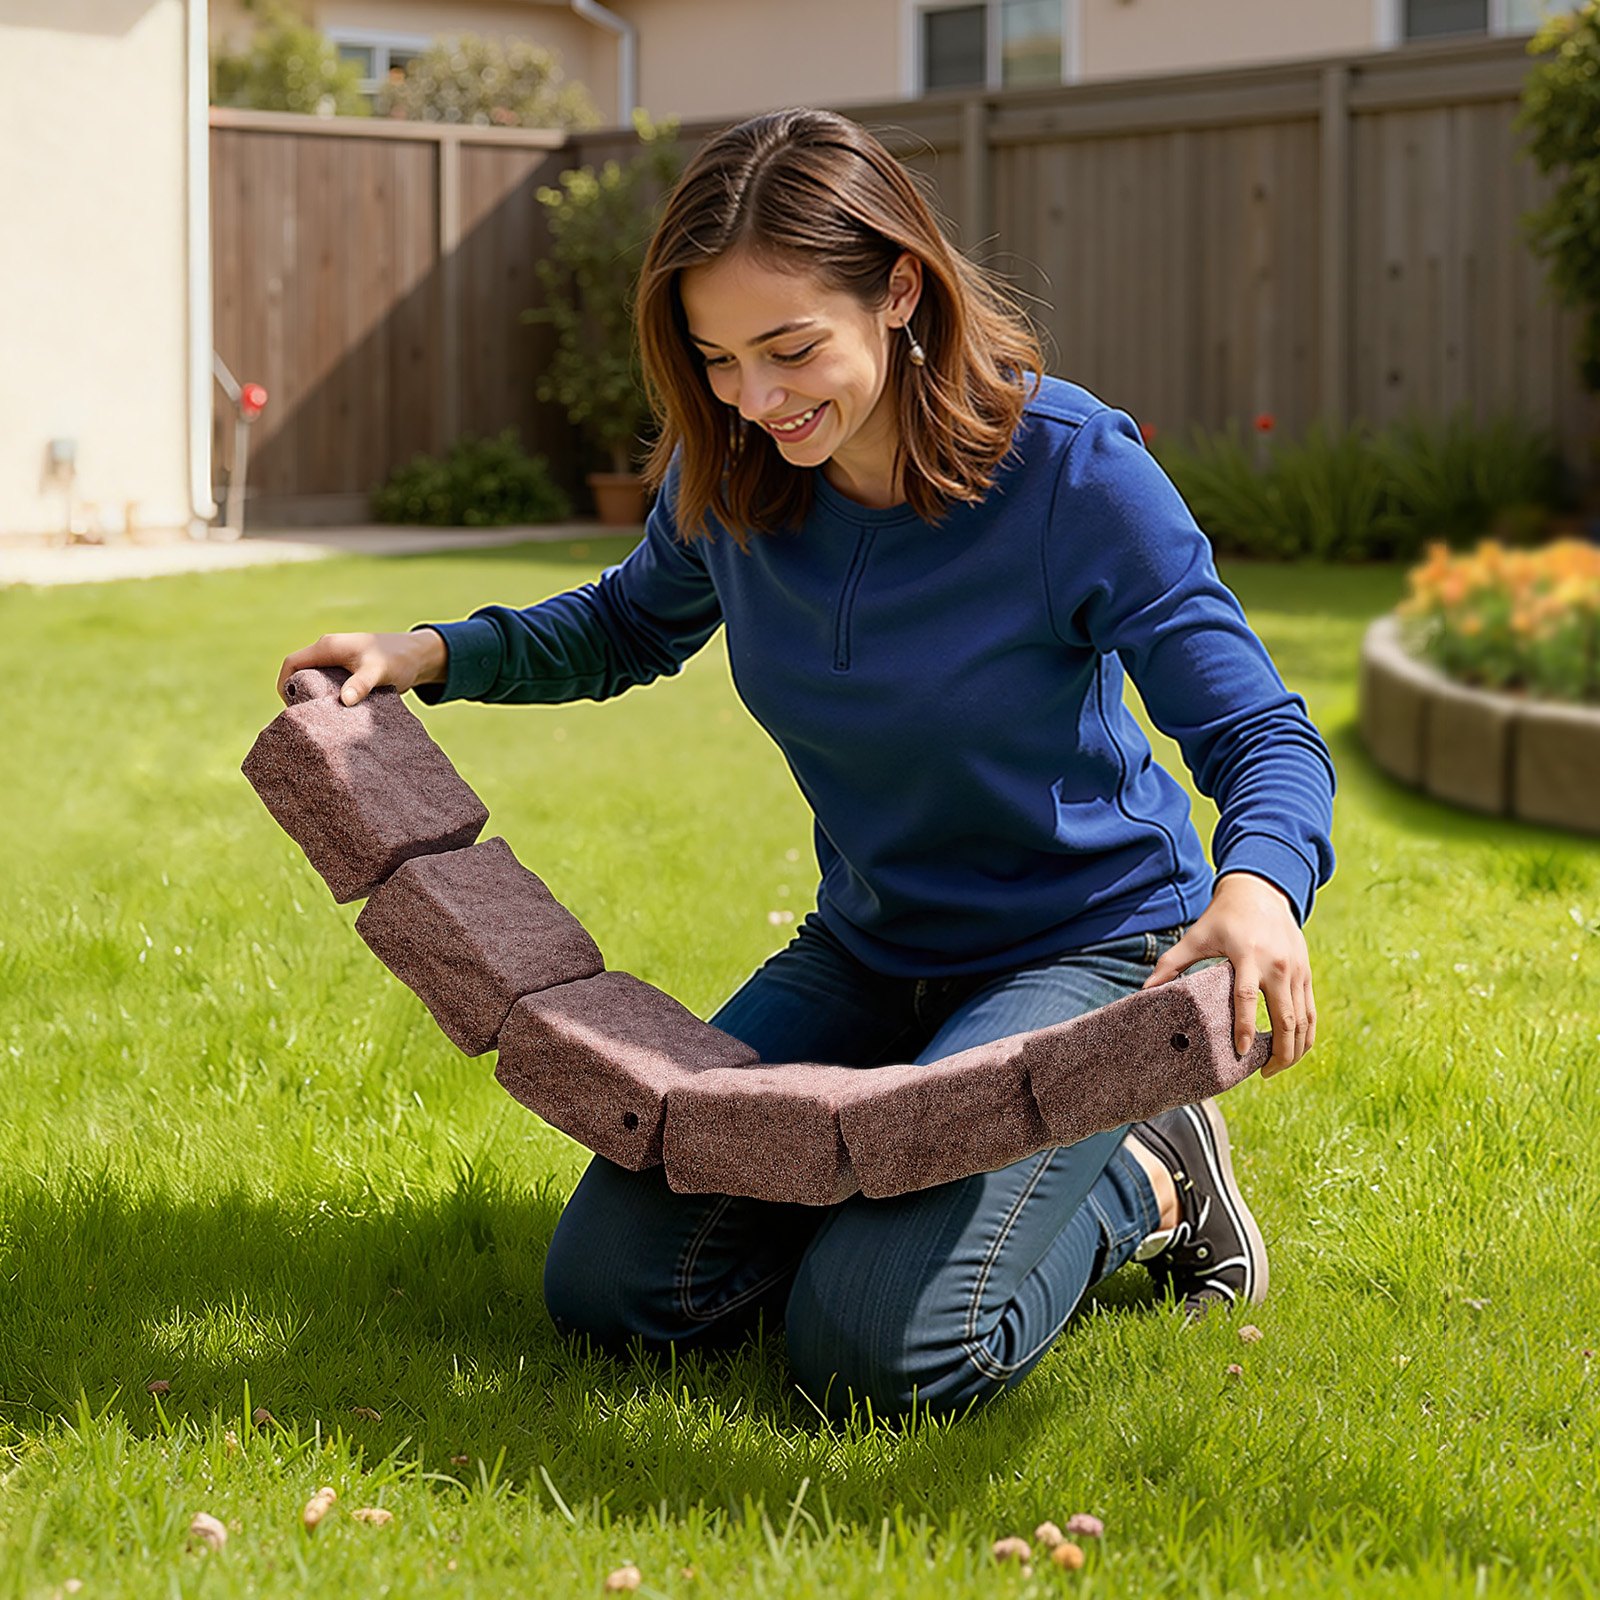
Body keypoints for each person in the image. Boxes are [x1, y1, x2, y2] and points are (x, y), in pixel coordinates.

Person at [277, 107, 1335, 1426]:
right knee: (619, 1293)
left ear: (900, 290)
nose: (756, 401)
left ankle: (1150, 1171)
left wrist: (1261, 892)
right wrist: (431, 650)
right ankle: (899, 1196)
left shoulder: (1071, 472)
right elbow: (624, 624)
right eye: (718, 361)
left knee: (878, 1356)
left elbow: (1260, 734)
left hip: (1083, 949)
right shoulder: (733, 474)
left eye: (789, 350)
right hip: (872, 951)